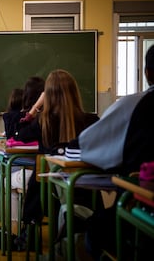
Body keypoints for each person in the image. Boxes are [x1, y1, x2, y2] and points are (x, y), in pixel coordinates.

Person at [80, 44, 154, 258]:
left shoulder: (134, 105)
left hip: (139, 205)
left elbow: (89, 144)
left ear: (147, 73)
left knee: (97, 228)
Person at [14, 69, 100, 249]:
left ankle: (30, 232)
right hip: (86, 193)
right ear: (75, 92)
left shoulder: (43, 122)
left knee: (37, 178)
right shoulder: (91, 121)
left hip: (49, 197)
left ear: (48, 95)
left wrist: (34, 108)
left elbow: (18, 135)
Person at [0, 77, 45, 211]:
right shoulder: (50, 117)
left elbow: (16, 133)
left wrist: (34, 109)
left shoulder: (30, 118)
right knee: (2, 168)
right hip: (48, 167)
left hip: (35, 166)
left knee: (2, 169)